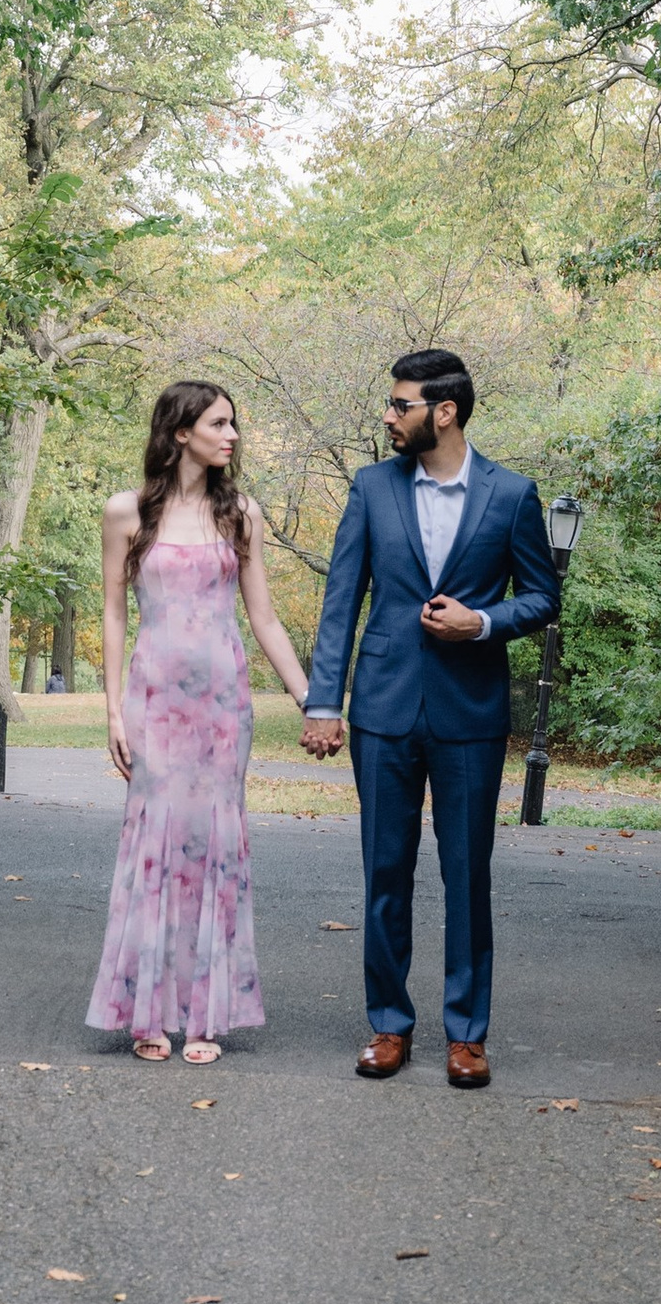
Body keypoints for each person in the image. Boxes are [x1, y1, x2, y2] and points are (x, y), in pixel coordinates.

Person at [300, 349, 559, 1089]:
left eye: (400, 403)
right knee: (385, 869)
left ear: (443, 411)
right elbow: (341, 597)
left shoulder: (511, 495)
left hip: (470, 711)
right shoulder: (371, 487)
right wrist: (325, 700)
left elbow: (543, 597)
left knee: (466, 874)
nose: (388, 414)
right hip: (382, 707)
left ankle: (467, 1034)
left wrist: (481, 621)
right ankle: (388, 1023)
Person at [87, 380, 311, 1063]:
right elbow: (114, 613)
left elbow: (264, 616)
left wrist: (313, 697)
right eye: (221, 422)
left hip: (220, 706)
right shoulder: (125, 512)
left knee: (211, 848)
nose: (233, 434)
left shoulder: (240, 512)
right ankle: (147, 1013)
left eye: (234, 423)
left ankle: (205, 1015)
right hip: (155, 702)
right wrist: (113, 709)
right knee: (155, 845)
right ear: (181, 430)